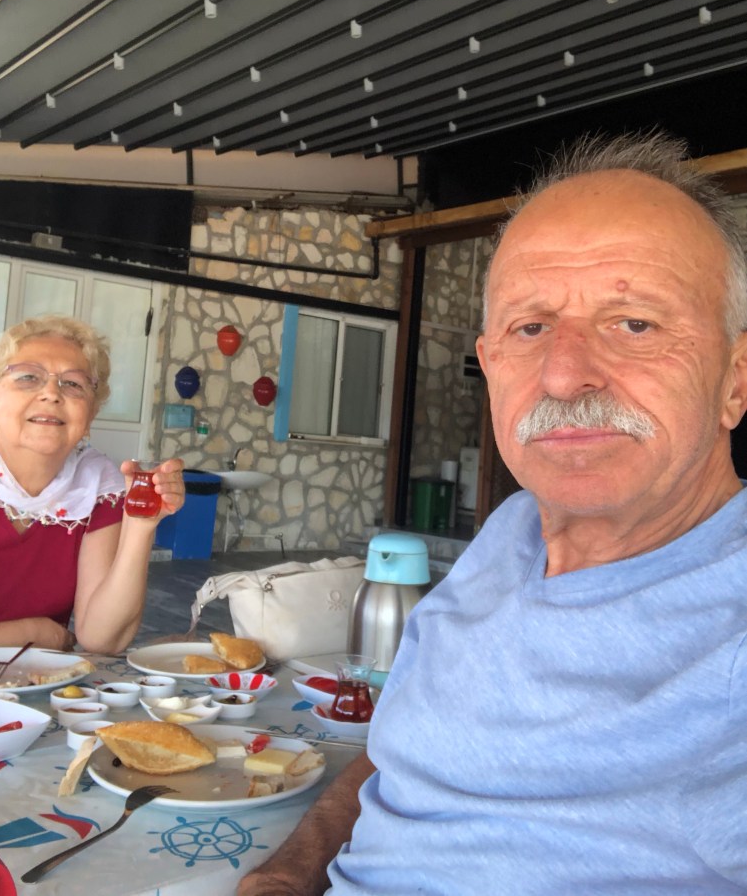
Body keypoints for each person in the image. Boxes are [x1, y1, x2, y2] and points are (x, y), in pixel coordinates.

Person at [237, 129, 747, 895]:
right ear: (490, 361)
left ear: (735, 379)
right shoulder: (509, 533)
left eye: (634, 323)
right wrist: (285, 874)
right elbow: (399, 755)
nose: (563, 374)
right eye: (530, 328)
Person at [0, 315, 185, 655]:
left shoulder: (98, 488)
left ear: (90, 414)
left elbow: (102, 639)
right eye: (28, 377)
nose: (51, 394)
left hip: (36, 682)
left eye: (73, 384)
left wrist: (140, 527)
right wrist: (31, 632)